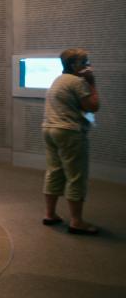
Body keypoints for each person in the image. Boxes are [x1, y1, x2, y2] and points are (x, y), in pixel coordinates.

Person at [42, 48, 99, 235]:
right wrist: (92, 83)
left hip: (50, 129)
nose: (88, 65)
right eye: (85, 62)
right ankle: (76, 221)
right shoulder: (77, 82)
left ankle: (50, 214)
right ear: (74, 65)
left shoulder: (59, 79)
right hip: (69, 132)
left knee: (54, 171)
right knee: (76, 176)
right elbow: (93, 106)